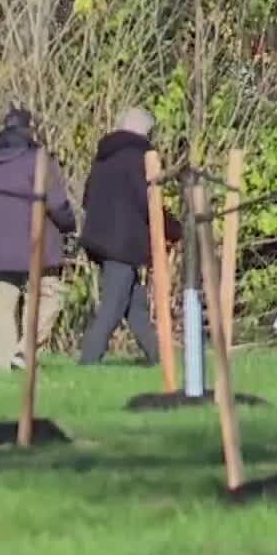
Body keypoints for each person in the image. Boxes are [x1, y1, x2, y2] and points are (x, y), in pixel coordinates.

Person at [0, 109, 77, 374]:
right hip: (35, 244)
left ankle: (5, 370)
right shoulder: (38, 160)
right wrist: (69, 225)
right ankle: (25, 351)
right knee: (49, 295)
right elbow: (57, 203)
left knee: (1, 308)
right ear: (30, 130)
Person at [77, 107, 182, 365]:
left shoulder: (103, 157)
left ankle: (159, 358)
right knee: (113, 306)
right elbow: (148, 203)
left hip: (100, 241)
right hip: (122, 244)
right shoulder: (139, 158)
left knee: (134, 306)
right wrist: (175, 229)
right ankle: (88, 361)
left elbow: (86, 198)